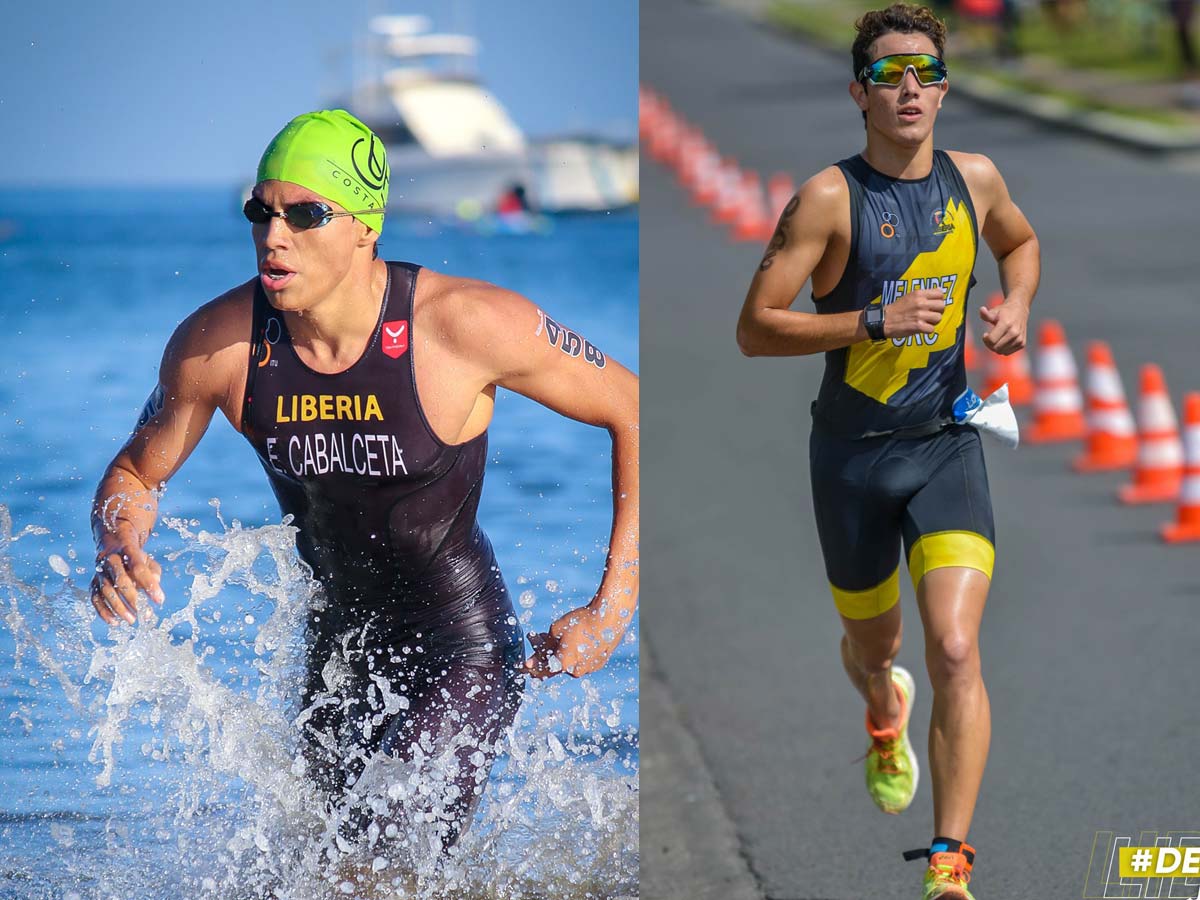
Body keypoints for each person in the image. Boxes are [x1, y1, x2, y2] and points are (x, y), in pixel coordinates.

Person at [89, 109, 639, 853]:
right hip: (337, 650)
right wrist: (118, 542)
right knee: (313, 864)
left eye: (306, 214)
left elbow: (632, 408)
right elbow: (135, 472)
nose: (273, 236)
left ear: (365, 227)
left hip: (461, 646)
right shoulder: (217, 347)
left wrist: (613, 606)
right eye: (262, 211)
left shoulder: (464, 326)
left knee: (377, 860)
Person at [735, 6, 1039, 899]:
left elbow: (1018, 244)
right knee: (879, 652)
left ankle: (949, 864)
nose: (910, 89)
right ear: (859, 91)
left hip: (946, 445)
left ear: (945, 86)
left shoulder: (974, 179)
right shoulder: (830, 199)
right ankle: (881, 711)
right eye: (889, 74)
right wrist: (869, 317)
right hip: (854, 460)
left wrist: (1016, 302)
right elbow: (754, 330)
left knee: (953, 647)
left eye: (927, 73)